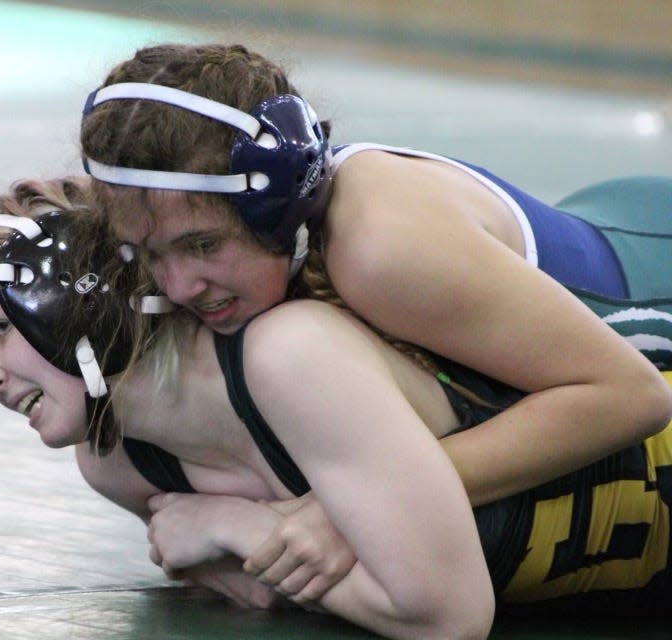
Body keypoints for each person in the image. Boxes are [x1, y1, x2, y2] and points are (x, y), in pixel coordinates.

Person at [0, 178, 672, 639]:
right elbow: (272, 591)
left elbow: (446, 616)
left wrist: (245, 523)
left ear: (71, 301)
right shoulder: (119, 466)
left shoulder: (289, 356)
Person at [78, 43, 672, 509]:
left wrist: (350, 505)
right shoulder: (225, 233)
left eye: (204, 245)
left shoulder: (378, 249)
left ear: (284, 204)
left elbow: (632, 396)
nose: (178, 288)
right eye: (149, 254)